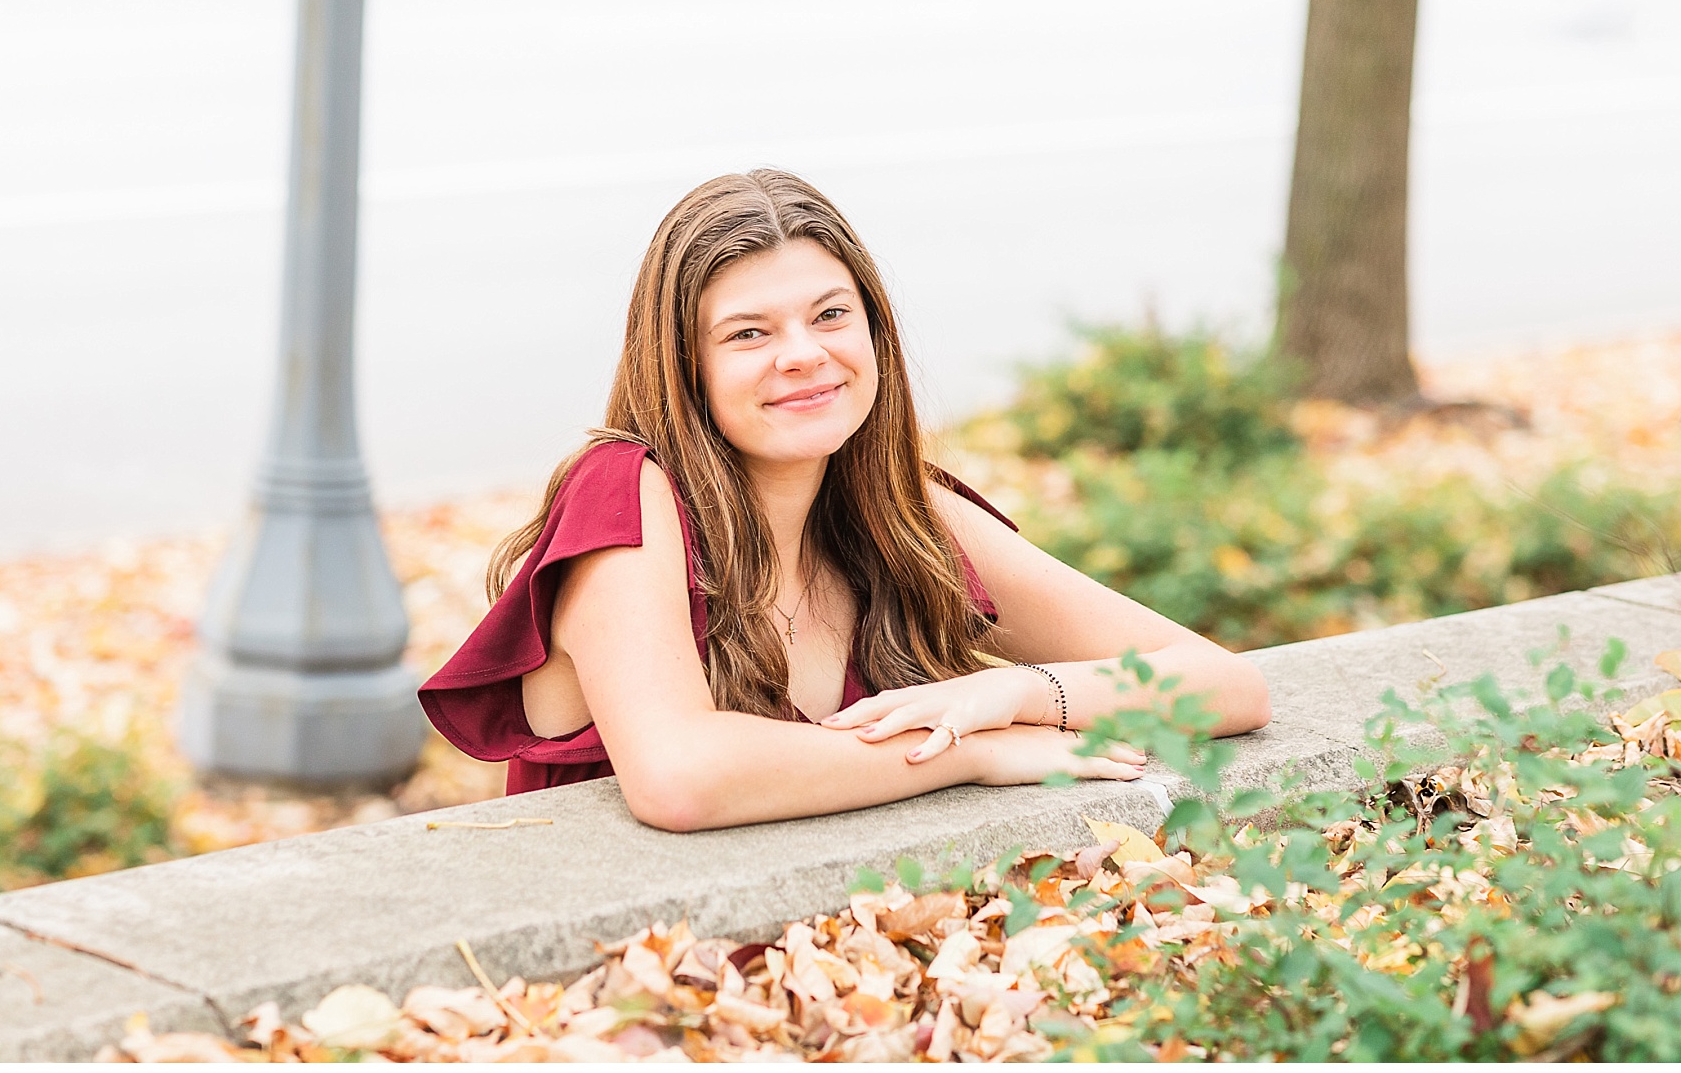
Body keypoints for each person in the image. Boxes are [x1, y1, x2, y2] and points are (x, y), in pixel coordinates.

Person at [420, 170, 1271, 832]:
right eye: (749, 333)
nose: (803, 355)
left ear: (874, 335)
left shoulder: (905, 517)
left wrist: (1011, 697)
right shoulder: (626, 494)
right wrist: (963, 754)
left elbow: (1224, 688)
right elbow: (680, 774)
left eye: (831, 315)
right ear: (684, 366)